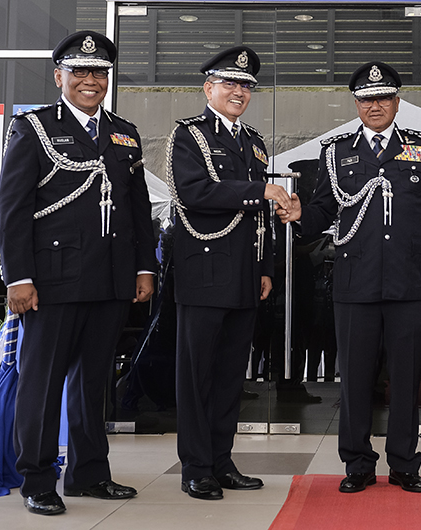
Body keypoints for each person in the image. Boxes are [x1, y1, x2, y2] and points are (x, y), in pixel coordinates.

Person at [0, 31, 156, 515]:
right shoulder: (34, 128)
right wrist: (18, 276)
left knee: (93, 382)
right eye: (80, 72)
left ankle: (88, 473)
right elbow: (12, 208)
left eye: (100, 72)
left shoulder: (124, 132)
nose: (91, 80)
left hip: (110, 279)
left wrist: (144, 267)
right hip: (53, 280)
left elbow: (137, 209)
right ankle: (38, 479)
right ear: (59, 76)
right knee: (41, 382)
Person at [278, 61, 421, 494]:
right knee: (354, 377)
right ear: (356, 103)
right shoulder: (336, 152)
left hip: (410, 282)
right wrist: (301, 216)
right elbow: (322, 212)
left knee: (407, 377)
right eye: (367, 98)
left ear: (397, 102)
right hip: (356, 282)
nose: (376, 105)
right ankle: (357, 463)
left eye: (384, 97)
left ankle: (405, 463)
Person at [168, 45, 291, 501]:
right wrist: (261, 188)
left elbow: (257, 218)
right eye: (230, 83)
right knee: (197, 374)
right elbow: (196, 192)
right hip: (204, 271)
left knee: (228, 377)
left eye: (246, 86)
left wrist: (264, 267)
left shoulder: (253, 141)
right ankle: (195, 466)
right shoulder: (190, 135)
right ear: (209, 88)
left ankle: (221, 460)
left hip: (243, 274)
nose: (239, 91)